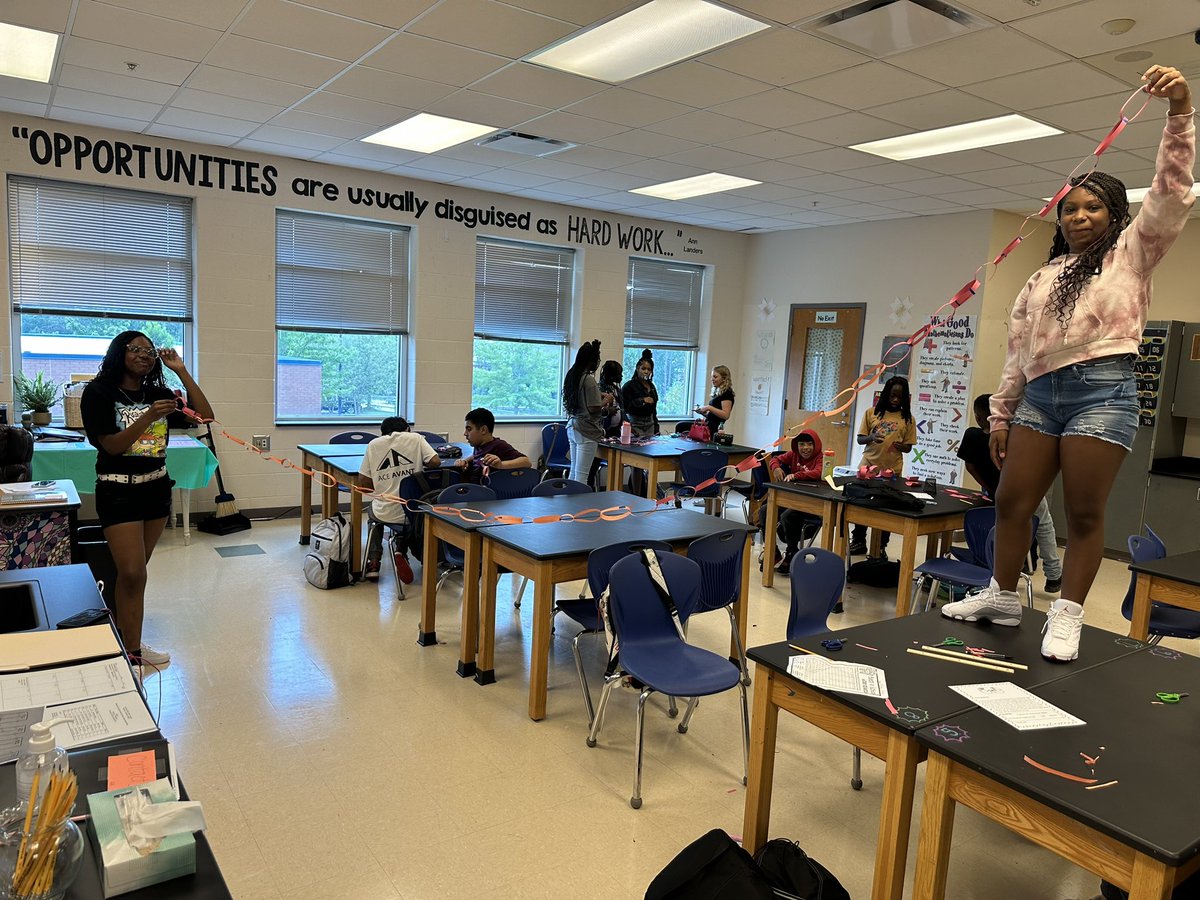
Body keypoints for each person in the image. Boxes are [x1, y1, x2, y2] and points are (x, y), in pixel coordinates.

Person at [942, 64, 1194, 663]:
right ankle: (1003, 596)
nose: (1079, 217)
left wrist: (1180, 108)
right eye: (1070, 209)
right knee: (1011, 501)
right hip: (1040, 396)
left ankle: (1068, 613)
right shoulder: (1043, 275)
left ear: (1114, 214)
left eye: (1092, 208)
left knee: (1083, 512)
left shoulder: (1134, 254)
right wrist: (1000, 416)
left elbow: (1171, 188)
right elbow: (1019, 351)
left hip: (1103, 392)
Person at [80, 331, 213, 667]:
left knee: (134, 576)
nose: (144, 355)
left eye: (150, 351)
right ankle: (131, 652)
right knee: (132, 574)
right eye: (135, 349)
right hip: (118, 491)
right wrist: (148, 417)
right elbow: (110, 445)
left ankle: (130, 647)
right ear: (118, 353)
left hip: (155, 490)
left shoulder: (159, 392)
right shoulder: (98, 392)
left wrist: (181, 370)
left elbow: (205, 416)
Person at [957, 393, 1062, 593]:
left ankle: (1004, 568)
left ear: (979, 418)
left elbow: (970, 466)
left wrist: (988, 487)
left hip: (994, 492)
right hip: (1025, 489)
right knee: (1044, 527)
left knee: (1005, 527)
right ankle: (1054, 575)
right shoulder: (1012, 437)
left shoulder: (972, 435)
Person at [357, 416, 440, 584]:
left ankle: (373, 563)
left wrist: (384, 481)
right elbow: (435, 461)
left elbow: (363, 484)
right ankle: (400, 549)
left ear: (382, 433)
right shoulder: (415, 438)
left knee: (374, 513)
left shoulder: (374, 445)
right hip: (414, 512)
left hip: (385, 512)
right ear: (407, 430)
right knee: (404, 517)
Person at [848, 375, 917, 557]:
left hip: (892, 470)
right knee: (862, 504)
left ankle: (880, 546)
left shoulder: (908, 419)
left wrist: (903, 446)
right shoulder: (872, 413)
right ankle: (858, 540)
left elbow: (909, 447)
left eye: (899, 397)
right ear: (885, 394)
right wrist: (871, 437)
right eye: (892, 395)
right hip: (868, 466)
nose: (895, 400)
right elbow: (860, 439)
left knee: (887, 508)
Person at [767, 429, 824, 572]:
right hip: (792, 499)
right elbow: (774, 458)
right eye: (802, 444)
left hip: (811, 504)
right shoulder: (794, 455)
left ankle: (792, 552)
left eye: (809, 444)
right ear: (797, 446)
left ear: (815, 445)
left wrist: (797, 475)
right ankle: (772, 551)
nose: (805, 448)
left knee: (788, 516)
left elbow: (819, 472)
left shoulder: (821, 457)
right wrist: (775, 468)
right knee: (764, 511)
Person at [562, 340, 611, 486]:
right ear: (592, 360)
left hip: (573, 426)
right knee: (582, 476)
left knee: (574, 472)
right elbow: (593, 408)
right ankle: (579, 507)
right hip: (586, 430)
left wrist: (598, 394)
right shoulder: (588, 379)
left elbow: (582, 399)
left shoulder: (572, 375)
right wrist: (606, 399)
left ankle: (569, 503)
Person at [454, 407, 531, 483]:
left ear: (483, 430)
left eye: (469, 429)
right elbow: (478, 456)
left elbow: (527, 462)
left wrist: (501, 465)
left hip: (484, 492)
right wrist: (466, 461)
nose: (465, 433)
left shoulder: (499, 446)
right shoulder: (479, 445)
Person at [621, 349, 659, 438]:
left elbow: (654, 409)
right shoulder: (629, 386)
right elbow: (625, 407)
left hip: (650, 423)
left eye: (649, 369)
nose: (646, 372)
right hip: (635, 423)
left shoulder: (652, 386)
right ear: (638, 369)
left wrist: (656, 427)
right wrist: (642, 400)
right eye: (643, 369)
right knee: (636, 448)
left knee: (649, 447)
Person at [695, 365, 735, 435]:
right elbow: (714, 416)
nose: (712, 379)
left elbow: (725, 415)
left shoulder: (727, 393)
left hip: (713, 427)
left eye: (715, 377)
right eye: (712, 377)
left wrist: (708, 407)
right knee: (682, 425)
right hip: (708, 424)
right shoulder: (718, 392)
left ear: (724, 378)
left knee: (682, 426)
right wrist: (702, 413)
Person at [597, 359, 624, 438]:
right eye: (619, 374)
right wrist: (608, 411)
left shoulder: (617, 389)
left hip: (616, 430)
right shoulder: (599, 389)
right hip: (604, 429)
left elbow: (622, 408)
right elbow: (596, 411)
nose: (621, 376)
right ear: (611, 375)